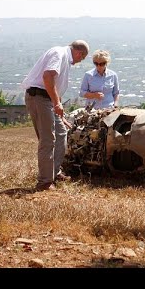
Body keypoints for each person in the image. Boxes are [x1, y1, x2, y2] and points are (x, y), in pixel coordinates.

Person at [21, 40, 89, 191]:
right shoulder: (59, 53)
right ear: (80, 53)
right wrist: (57, 103)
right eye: (82, 58)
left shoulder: (63, 56)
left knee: (61, 133)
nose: (79, 61)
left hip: (48, 100)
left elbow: (53, 83)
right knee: (48, 139)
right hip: (39, 97)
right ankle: (44, 182)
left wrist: (58, 108)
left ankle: (54, 172)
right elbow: (48, 76)